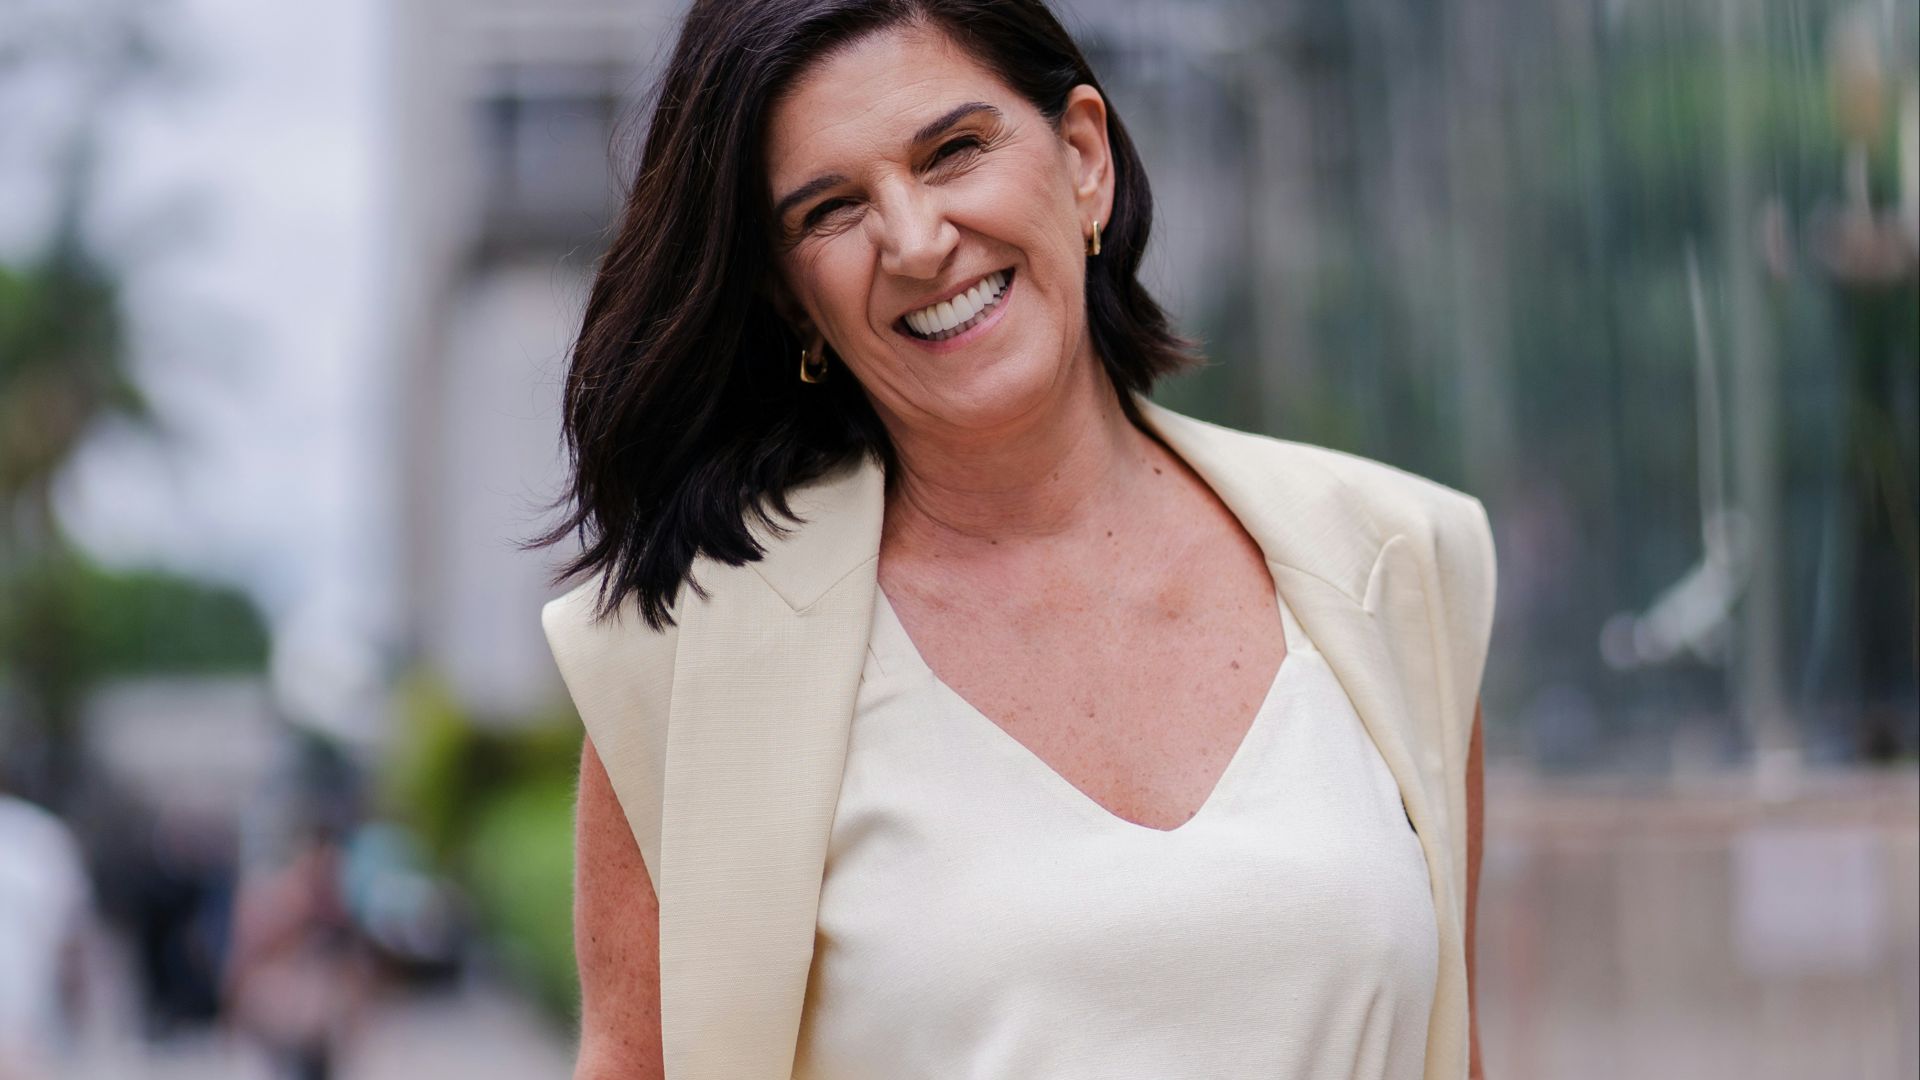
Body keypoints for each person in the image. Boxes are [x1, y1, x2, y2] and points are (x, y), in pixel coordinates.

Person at [532, 2, 1496, 1078]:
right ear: (791, 301)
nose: (915, 240)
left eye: (953, 151)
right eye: (830, 209)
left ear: (1084, 158)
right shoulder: (691, 665)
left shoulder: (1394, 563)